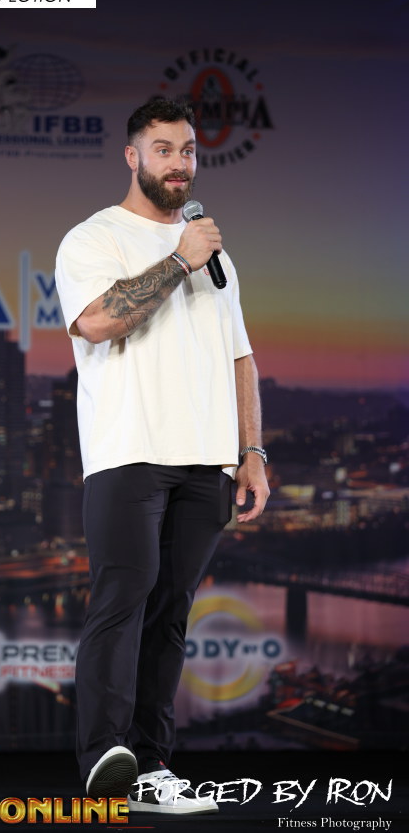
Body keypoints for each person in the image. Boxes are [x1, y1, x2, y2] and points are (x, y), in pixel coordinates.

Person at [55, 97, 270, 815]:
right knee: (123, 601)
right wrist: (179, 260)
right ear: (132, 156)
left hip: (207, 461)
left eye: (188, 150)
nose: (179, 163)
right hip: (130, 452)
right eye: (163, 150)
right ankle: (103, 758)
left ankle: (150, 768)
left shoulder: (216, 254)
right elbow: (96, 321)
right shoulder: (93, 238)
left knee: (170, 614)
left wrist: (251, 452)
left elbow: (241, 357)